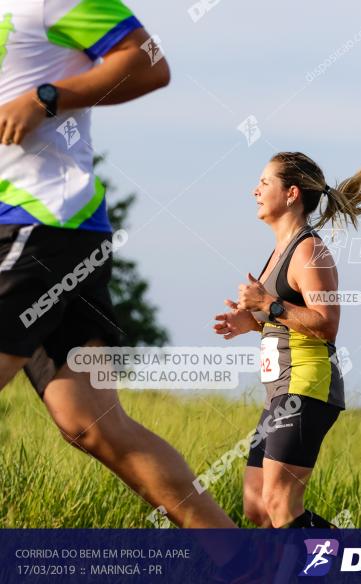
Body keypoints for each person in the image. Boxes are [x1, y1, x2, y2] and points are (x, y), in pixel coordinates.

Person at [0, 0, 233, 528]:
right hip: (50, 232)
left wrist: (48, 97)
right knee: (93, 422)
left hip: (39, 224)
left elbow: (149, 61)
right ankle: (247, 564)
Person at [213, 152, 361, 528]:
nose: (254, 190)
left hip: (306, 386)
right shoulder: (280, 251)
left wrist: (267, 305)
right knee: (258, 505)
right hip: (280, 392)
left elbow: (326, 323)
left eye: (264, 183)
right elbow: (290, 319)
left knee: (280, 502)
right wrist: (250, 322)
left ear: (291, 194)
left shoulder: (309, 250)